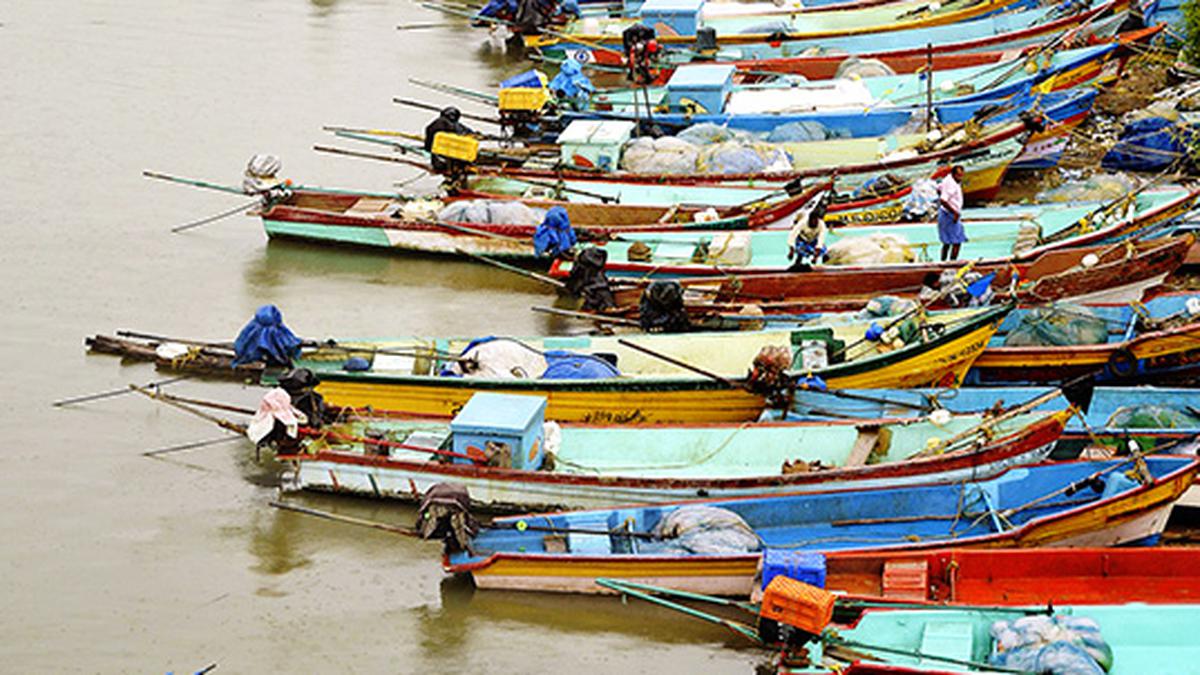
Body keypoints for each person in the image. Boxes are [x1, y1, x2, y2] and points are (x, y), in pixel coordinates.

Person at [423, 107, 474, 174]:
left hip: (438, 161)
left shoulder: (434, 124)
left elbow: (428, 145)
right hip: (452, 160)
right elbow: (466, 132)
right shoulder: (453, 125)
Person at [937, 165, 967, 261]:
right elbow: (943, 200)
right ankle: (952, 263)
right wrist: (954, 212)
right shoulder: (951, 185)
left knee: (947, 242)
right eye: (958, 176)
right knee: (957, 241)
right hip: (950, 214)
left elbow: (939, 189)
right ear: (953, 174)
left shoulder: (948, 179)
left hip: (945, 213)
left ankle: (943, 262)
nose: (960, 178)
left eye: (962, 175)